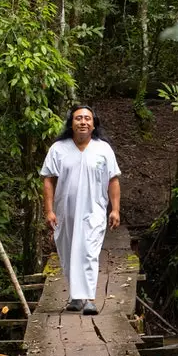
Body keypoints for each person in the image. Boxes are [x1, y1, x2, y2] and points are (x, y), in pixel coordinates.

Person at [41, 105, 121, 315]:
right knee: (68, 253)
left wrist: (115, 210)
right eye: (78, 118)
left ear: (94, 124)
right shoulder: (59, 149)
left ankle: (90, 299)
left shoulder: (103, 149)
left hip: (94, 210)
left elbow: (113, 180)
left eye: (87, 118)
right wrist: (49, 211)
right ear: (71, 123)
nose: (83, 122)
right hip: (65, 212)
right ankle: (76, 297)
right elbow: (48, 180)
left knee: (88, 252)